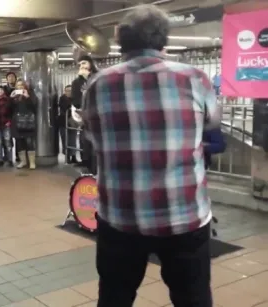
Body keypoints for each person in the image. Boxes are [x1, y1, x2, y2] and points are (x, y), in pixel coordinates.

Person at [82, 5, 220, 307]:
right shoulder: (194, 78)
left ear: (120, 39)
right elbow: (211, 124)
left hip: (120, 217)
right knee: (193, 298)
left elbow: (93, 137)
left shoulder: (97, 84)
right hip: (184, 216)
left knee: (114, 298)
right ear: (163, 39)